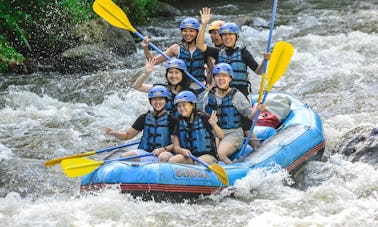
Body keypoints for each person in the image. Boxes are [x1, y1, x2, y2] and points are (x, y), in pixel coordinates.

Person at [197, 7, 270, 96]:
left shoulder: (244, 53)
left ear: (236, 37)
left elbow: (259, 72)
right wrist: (204, 24)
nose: (227, 37)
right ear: (221, 37)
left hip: (241, 95)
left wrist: (265, 60)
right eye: (224, 35)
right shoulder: (217, 52)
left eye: (230, 34)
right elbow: (200, 45)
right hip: (222, 95)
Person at [141, 17, 208, 111]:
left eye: (191, 31)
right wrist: (145, 48)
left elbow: (212, 69)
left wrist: (211, 84)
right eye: (185, 31)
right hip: (182, 89)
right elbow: (154, 61)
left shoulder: (204, 49)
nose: (188, 34)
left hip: (200, 89)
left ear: (197, 32)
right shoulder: (176, 48)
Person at [204, 63, 263, 164]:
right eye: (218, 76)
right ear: (214, 78)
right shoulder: (208, 96)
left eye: (224, 76)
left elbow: (250, 115)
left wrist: (257, 110)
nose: (221, 78)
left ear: (230, 79)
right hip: (215, 132)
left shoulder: (237, 96)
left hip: (233, 133)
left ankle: (232, 171)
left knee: (220, 153)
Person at [104, 85, 176, 162]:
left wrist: (163, 149)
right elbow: (127, 135)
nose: (158, 102)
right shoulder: (144, 117)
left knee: (163, 157)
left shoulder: (171, 119)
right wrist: (114, 133)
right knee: (126, 156)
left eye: (161, 99)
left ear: (166, 101)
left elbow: (175, 144)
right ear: (150, 101)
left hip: (164, 153)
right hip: (145, 153)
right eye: (154, 99)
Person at [158, 91, 224, 165]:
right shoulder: (179, 121)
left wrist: (214, 125)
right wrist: (181, 150)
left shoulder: (204, 118)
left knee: (199, 162)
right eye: (179, 106)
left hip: (208, 157)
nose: (181, 108)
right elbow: (176, 146)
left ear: (192, 105)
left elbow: (221, 136)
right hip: (190, 157)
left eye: (184, 105)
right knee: (173, 160)